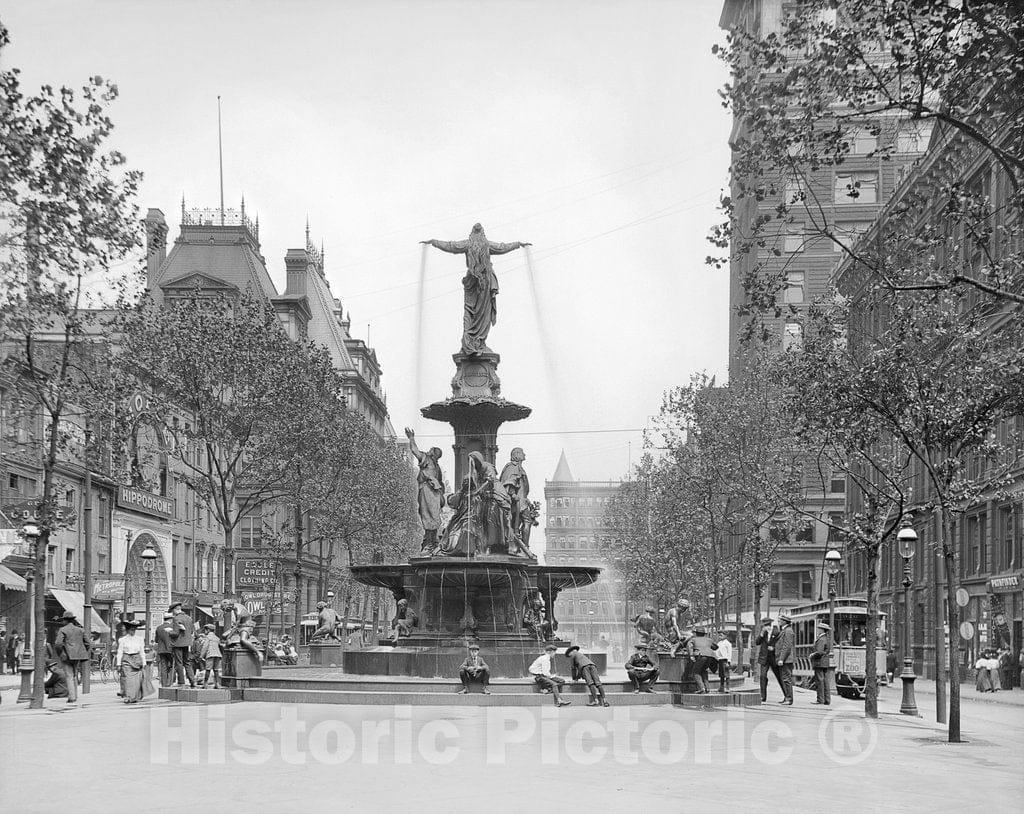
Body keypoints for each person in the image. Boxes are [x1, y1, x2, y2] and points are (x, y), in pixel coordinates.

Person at [421, 223, 531, 355]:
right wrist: (518, 244)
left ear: (472, 233)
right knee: (477, 312)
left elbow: (451, 246)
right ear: (482, 233)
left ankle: (475, 342)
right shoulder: (485, 244)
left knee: (475, 312)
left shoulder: (469, 244)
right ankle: (474, 342)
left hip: (479, 283)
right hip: (479, 283)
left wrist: (434, 241)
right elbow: (502, 247)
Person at [405, 427, 445, 553]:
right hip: (433, 491)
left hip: (429, 490)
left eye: (431, 450)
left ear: (433, 453)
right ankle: (431, 542)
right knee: (431, 516)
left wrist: (411, 438)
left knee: (429, 516)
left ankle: (430, 543)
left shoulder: (426, 459)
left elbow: (414, 450)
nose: (428, 450)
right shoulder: (434, 465)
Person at [54, 610, 90, 704]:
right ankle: (75, 695)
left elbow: (58, 644)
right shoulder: (80, 630)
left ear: (65, 620)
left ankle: (72, 697)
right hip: (77, 656)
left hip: (67, 656)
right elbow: (88, 643)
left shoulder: (63, 630)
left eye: (63, 620)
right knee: (74, 675)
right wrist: (81, 651)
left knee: (69, 675)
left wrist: (61, 653)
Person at [116, 619, 148, 703]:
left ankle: (134, 696)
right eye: (131, 629)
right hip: (126, 659)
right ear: (127, 630)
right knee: (128, 678)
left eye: (134, 630)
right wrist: (118, 664)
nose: (132, 631)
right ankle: (128, 696)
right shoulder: (122, 640)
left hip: (137, 660)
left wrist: (144, 662)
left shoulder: (140, 639)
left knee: (137, 680)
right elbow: (119, 652)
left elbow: (142, 651)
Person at [169, 602, 197, 688]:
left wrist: (169, 632)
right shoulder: (189, 618)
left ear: (175, 610)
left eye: (172, 611)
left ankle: (181, 681)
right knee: (187, 662)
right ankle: (193, 681)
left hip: (178, 644)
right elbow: (192, 631)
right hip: (187, 643)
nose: (172, 613)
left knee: (179, 663)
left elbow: (176, 633)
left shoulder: (176, 619)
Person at [755, 618, 782, 703]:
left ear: (770, 625)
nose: (765, 627)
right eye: (764, 626)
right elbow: (757, 642)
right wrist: (762, 633)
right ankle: (763, 696)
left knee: (779, 677)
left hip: (773, 658)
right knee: (762, 676)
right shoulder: (763, 633)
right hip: (764, 658)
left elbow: (780, 644)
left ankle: (787, 695)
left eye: (766, 625)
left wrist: (773, 648)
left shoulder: (777, 632)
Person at [686, 627, 719, 694]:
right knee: (704, 671)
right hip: (710, 656)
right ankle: (707, 688)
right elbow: (716, 647)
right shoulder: (709, 640)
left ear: (696, 633)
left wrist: (691, 656)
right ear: (704, 634)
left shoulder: (693, 639)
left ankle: (702, 688)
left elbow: (689, 647)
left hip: (700, 656)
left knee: (695, 672)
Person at [153, 612, 178, 688]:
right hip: (171, 649)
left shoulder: (159, 628)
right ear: (170, 619)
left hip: (161, 650)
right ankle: (170, 683)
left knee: (163, 667)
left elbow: (156, 640)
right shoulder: (173, 627)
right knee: (172, 666)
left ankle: (164, 684)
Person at [775, 614, 795, 705]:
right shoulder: (785, 630)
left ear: (784, 621)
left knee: (786, 679)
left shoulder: (788, 631)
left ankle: (789, 699)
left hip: (786, 660)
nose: (778, 621)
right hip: (785, 659)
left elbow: (787, 646)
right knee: (784, 679)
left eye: (780, 620)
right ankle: (787, 697)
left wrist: (781, 659)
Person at [810, 622, 833, 705]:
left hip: (819, 662)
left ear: (822, 629)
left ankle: (820, 700)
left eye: (819, 628)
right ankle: (827, 700)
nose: (817, 629)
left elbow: (819, 652)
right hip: (825, 662)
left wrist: (812, 655)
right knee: (825, 681)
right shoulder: (827, 638)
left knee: (819, 681)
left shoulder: (821, 639)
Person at [199, 624, 223, 689]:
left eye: (205, 630)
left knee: (208, 670)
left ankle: (205, 684)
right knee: (216, 670)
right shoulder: (217, 638)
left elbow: (205, 647)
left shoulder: (208, 637)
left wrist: (201, 656)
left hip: (210, 655)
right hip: (218, 655)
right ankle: (217, 684)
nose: (205, 631)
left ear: (208, 630)